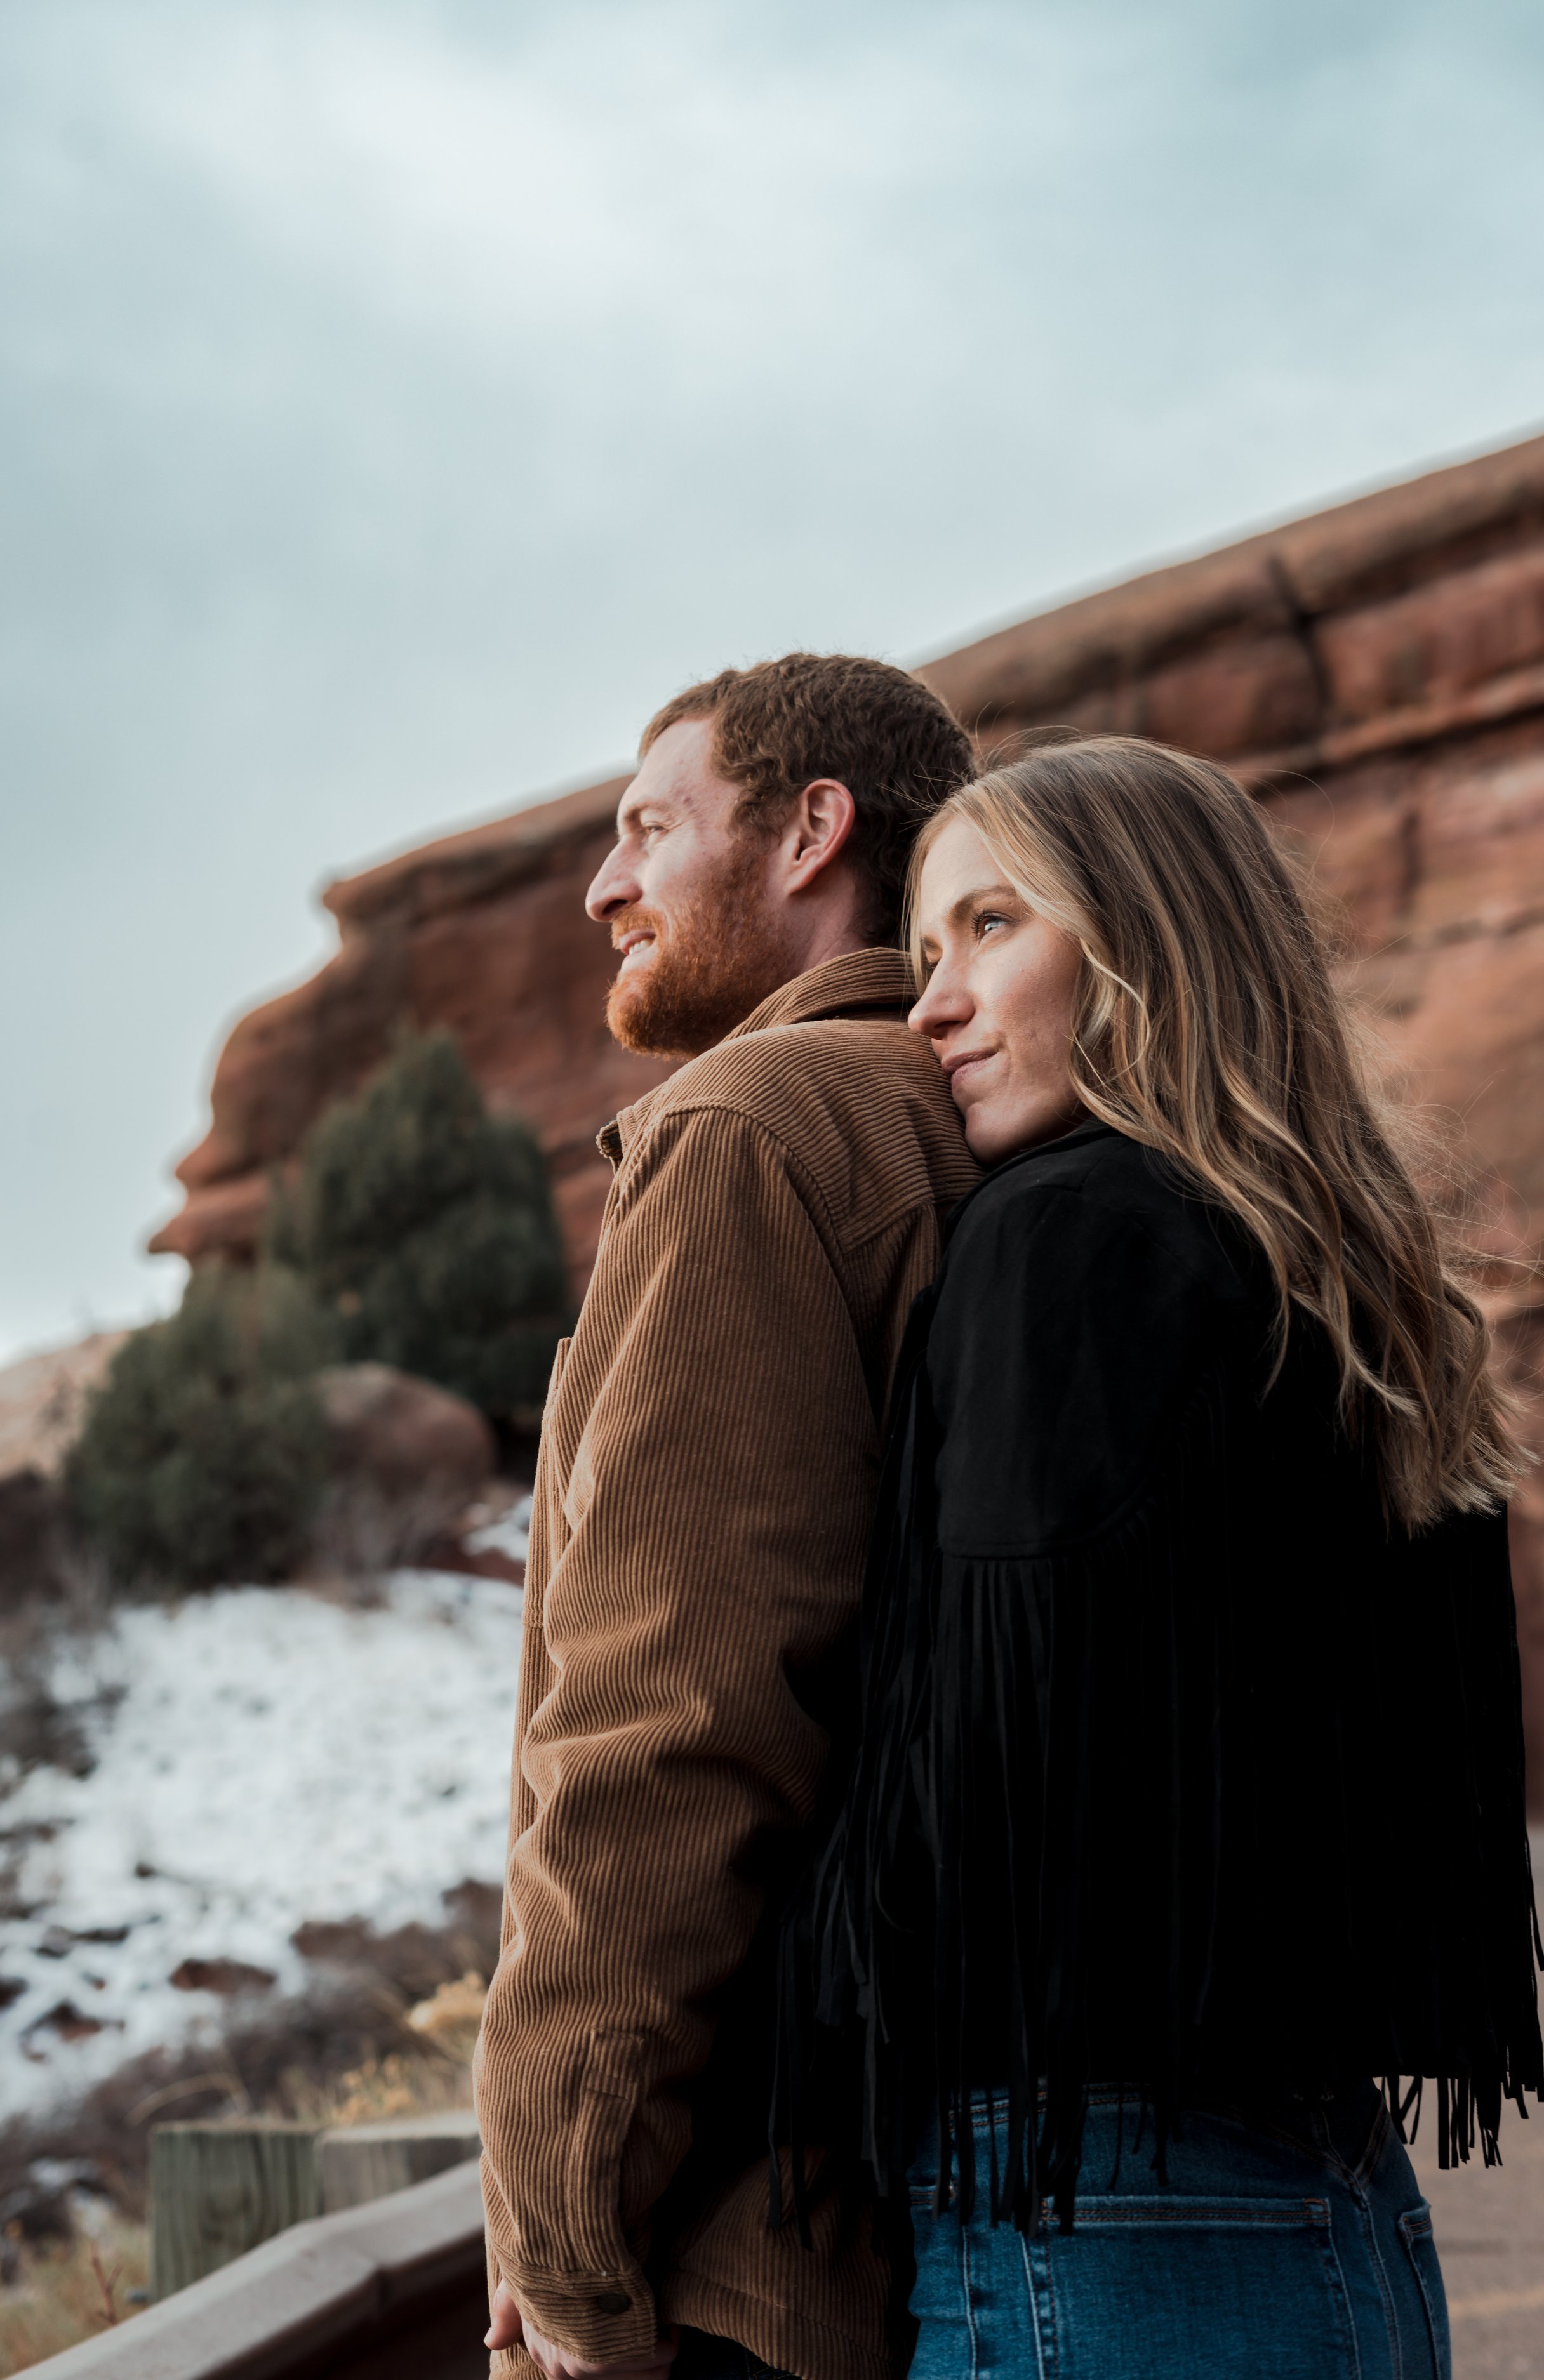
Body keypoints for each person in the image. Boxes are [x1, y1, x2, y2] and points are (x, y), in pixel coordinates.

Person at [775, 736, 1544, 2380]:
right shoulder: (1337, 1272)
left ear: (1149, 941)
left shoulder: (1059, 1240)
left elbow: (980, 1793)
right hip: (1328, 2197)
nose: (931, 1005)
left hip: (1091, 2219)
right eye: (923, 950)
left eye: (991, 927)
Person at [476, 653, 982, 2380]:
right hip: (939, 2167)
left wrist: (560, 2234)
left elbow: (668, 1721)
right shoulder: (972, 1109)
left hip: (752, 2235)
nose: (606, 888)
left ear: (808, 833)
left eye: (648, 830)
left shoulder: (752, 1130)